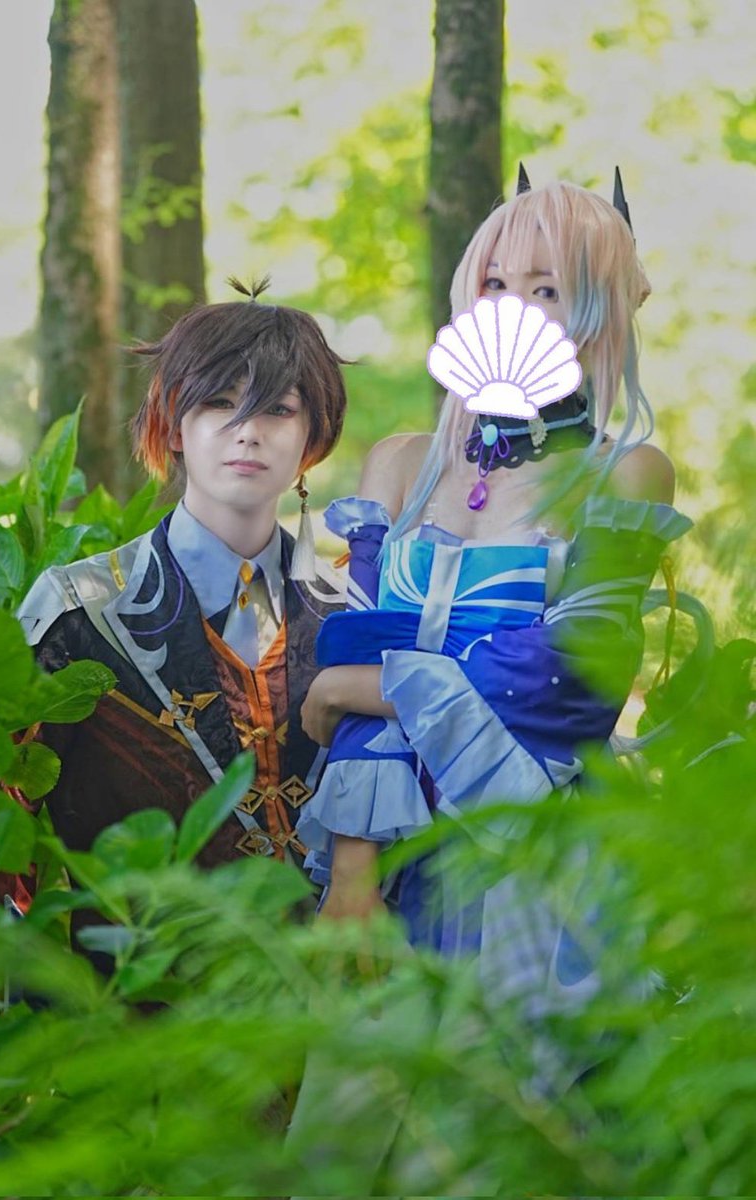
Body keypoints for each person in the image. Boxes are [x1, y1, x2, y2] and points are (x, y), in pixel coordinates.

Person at [295, 175, 692, 1045]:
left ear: (603, 312)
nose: (512, 308)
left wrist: (353, 689)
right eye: (495, 283)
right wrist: (353, 867)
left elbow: (566, 681)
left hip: (537, 857)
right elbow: (363, 642)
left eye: (547, 290)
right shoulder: (401, 465)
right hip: (389, 851)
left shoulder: (627, 474)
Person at [16, 295, 347, 889]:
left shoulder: (354, 614)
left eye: (278, 408)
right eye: (219, 402)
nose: (248, 431)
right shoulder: (78, 611)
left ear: (312, 437)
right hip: (136, 947)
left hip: (345, 949)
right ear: (172, 424)